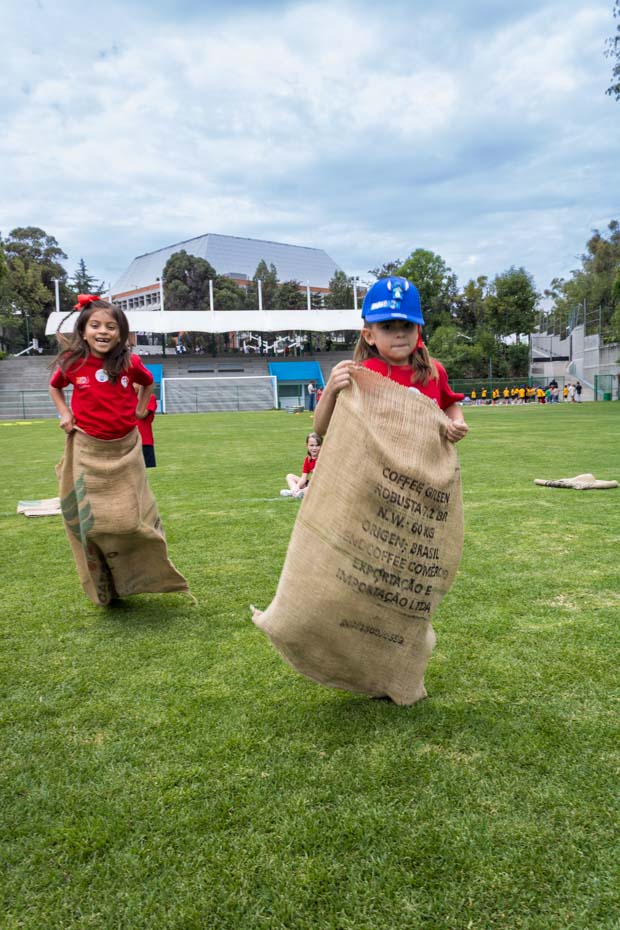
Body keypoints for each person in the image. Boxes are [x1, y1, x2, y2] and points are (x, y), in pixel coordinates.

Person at [49, 294, 188, 604]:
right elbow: (55, 386)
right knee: (92, 525)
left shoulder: (129, 362)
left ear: (121, 333)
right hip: (88, 448)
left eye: (111, 327)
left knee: (128, 522)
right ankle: (105, 583)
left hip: (125, 450)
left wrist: (140, 409)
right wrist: (65, 414)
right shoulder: (72, 362)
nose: (103, 331)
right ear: (83, 330)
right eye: (96, 325)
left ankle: (138, 574)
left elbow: (148, 382)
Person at [314, 276, 468, 444]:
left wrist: (457, 423)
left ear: (418, 330)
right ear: (369, 336)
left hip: (427, 460)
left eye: (407, 325)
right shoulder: (360, 375)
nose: (400, 334)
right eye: (387, 327)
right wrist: (330, 390)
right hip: (376, 461)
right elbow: (321, 428)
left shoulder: (433, 371)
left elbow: (448, 406)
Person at [280, 432, 322, 498]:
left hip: (319, 485)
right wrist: (297, 487)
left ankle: (297, 493)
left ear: (322, 446)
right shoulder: (308, 459)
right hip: (310, 484)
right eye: (311, 445)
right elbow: (303, 478)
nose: (314, 448)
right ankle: (294, 491)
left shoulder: (323, 458)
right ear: (307, 446)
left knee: (309, 488)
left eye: (317, 445)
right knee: (290, 476)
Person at [134, 384, 158, 467]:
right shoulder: (128, 398)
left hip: (144, 441)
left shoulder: (150, 398)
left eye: (134, 383)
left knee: (146, 469)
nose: (132, 386)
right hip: (129, 441)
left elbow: (141, 415)